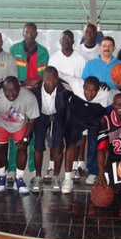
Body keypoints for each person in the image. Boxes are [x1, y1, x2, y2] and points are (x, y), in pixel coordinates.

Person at [0, 76, 39, 194]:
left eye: (14, 90)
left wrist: (25, 139)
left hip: (19, 124)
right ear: (3, 89)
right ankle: (2, 176)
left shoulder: (28, 96)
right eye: (7, 90)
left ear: (19, 88)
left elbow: (32, 119)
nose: (11, 94)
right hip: (1, 124)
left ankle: (19, 178)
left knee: (22, 148)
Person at [61, 74, 120, 186]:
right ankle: (68, 178)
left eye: (93, 91)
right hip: (78, 117)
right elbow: (59, 74)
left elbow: (120, 95)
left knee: (95, 143)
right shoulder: (76, 83)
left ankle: (93, 172)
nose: (90, 94)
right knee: (71, 143)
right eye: (87, 90)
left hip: (95, 119)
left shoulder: (106, 93)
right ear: (83, 86)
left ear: (98, 89)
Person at [9, 22, 49, 180]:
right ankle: (11, 169)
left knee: (31, 132)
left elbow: (46, 73)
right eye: (27, 32)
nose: (30, 35)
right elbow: (11, 72)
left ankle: (32, 168)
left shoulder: (44, 52)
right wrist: (22, 84)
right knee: (15, 130)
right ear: (23, 33)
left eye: (33, 32)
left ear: (36, 34)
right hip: (17, 94)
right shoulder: (14, 50)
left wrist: (35, 81)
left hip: (36, 94)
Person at [46, 30, 86, 179]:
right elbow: (49, 79)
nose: (67, 41)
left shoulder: (81, 59)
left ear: (73, 41)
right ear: (60, 41)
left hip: (74, 104)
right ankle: (51, 166)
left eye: (70, 38)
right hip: (56, 103)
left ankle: (75, 167)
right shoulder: (54, 58)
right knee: (54, 136)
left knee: (74, 138)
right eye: (64, 38)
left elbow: (83, 83)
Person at [30, 67, 73, 192]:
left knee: (58, 146)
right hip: (40, 117)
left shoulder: (64, 88)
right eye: (48, 79)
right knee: (38, 147)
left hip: (58, 116)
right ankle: (38, 177)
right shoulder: (35, 88)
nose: (52, 83)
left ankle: (56, 177)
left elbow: (78, 92)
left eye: (55, 79)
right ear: (43, 78)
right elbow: (20, 85)